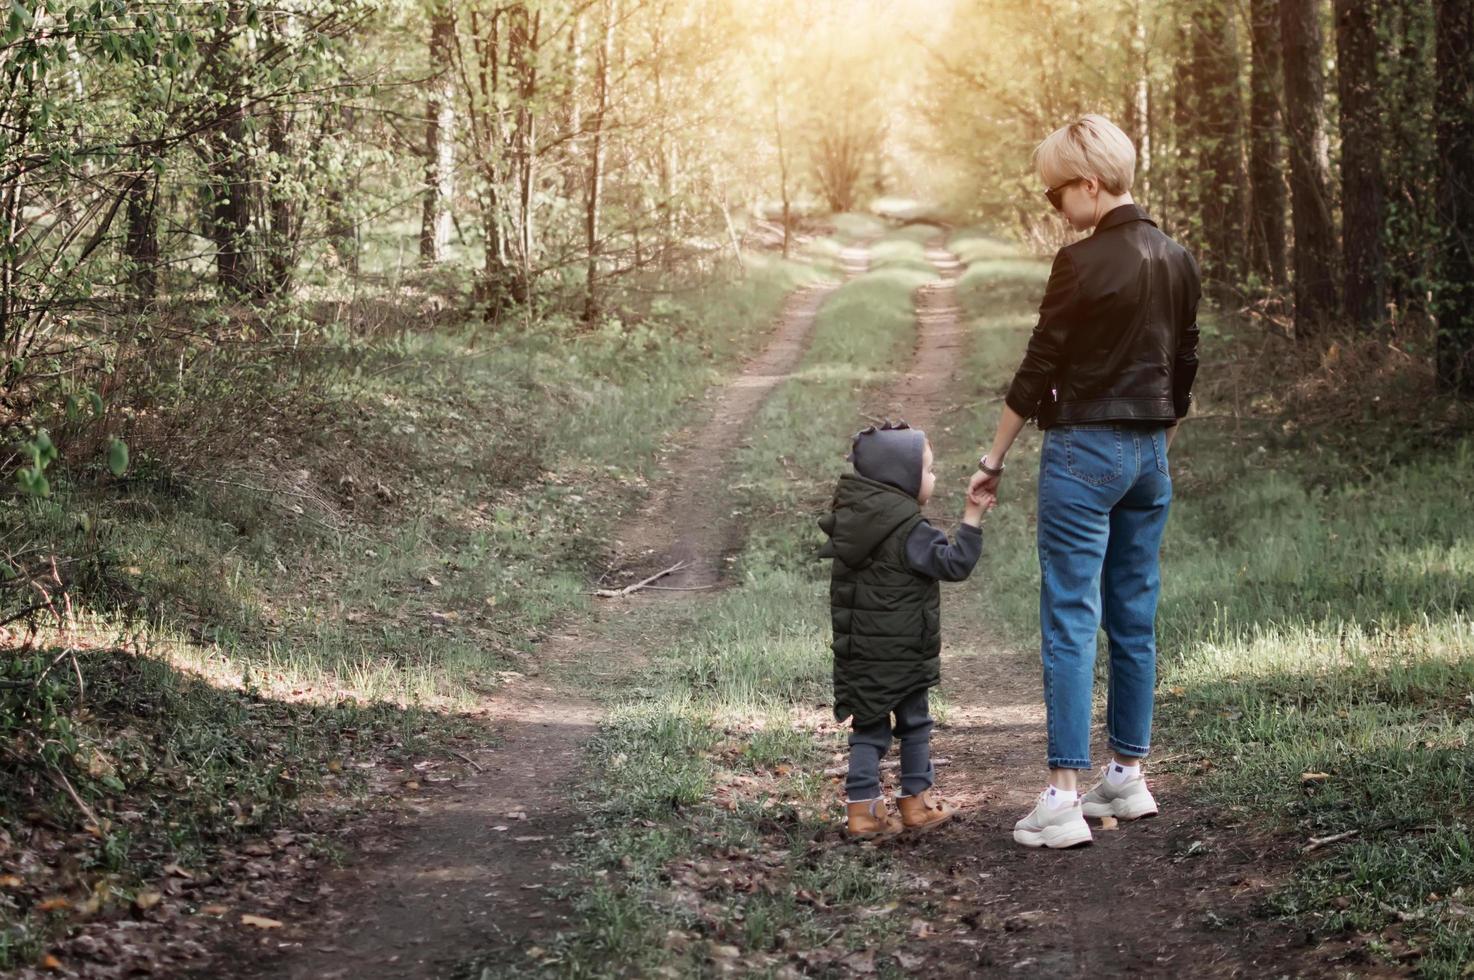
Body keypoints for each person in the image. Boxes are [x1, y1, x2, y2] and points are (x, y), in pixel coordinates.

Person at [967, 114, 1201, 849]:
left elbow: (1037, 369)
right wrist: (1157, 443)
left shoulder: (1079, 263)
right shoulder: (1178, 256)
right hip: (1148, 455)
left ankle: (1063, 797)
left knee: (1071, 616)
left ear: (1090, 186)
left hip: (1082, 453)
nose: (1054, 208)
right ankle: (1127, 777)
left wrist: (992, 462)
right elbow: (1185, 364)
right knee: (1133, 615)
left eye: (1054, 195)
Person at [819, 420, 994, 838]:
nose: (933, 478)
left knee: (868, 728)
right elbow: (955, 565)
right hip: (902, 655)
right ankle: (915, 802)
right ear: (901, 477)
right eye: (928, 471)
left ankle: (861, 811)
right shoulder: (910, 530)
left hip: (861, 653)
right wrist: (972, 517)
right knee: (915, 724)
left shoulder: (854, 522)